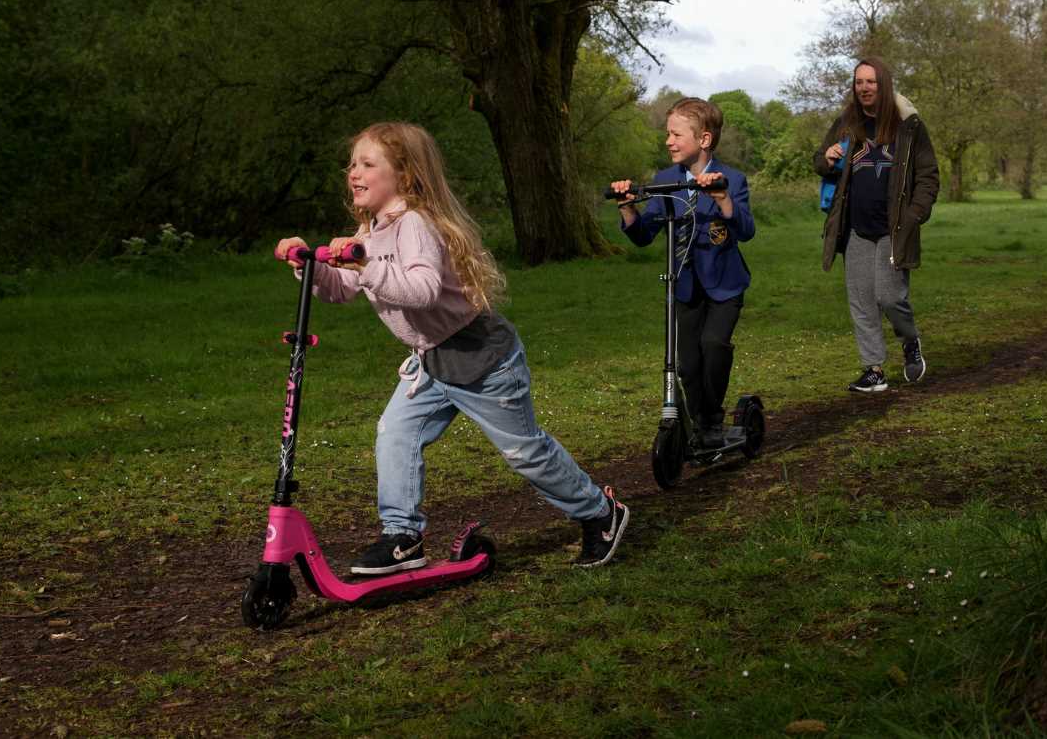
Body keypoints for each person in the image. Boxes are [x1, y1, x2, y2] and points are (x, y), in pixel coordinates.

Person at [275, 122, 630, 573]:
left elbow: (421, 290)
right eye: (352, 164)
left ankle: (601, 514)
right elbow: (342, 288)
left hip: (481, 359)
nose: (354, 173)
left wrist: (363, 264)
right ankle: (402, 534)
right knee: (396, 434)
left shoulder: (415, 224)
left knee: (526, 453)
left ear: (403, 177)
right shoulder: (371, 228)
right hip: (431, 361)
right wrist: (308, 263)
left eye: (368, 164)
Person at [610, 97, 755, 445]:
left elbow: (747, 231)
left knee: (714, 344)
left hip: (725, 286)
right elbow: (644, 235)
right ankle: (703, 424)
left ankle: (711, 419)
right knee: (687, 363)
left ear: (703, 139)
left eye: (676, 135)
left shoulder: (731, 179)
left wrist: (722, 200)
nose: (668, 141)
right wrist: (628, 209)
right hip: (684, 287)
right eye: (668, 134)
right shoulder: (664, 180)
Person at [812, 58, 940, 393]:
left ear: (883, 85)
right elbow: (820, 162)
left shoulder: (908, 126)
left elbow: (928, 176)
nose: (864, 88)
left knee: (889, 296)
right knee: (861, 300)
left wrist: (914, 215)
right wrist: (826, 159)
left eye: (871, 82)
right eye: (859, 82)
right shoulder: (846, 122)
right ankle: (874, 370)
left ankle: (910, 342)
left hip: (893, 228)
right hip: (855, 228)